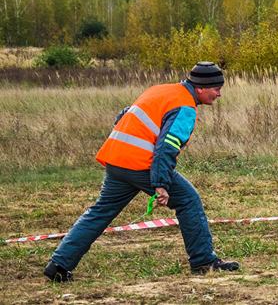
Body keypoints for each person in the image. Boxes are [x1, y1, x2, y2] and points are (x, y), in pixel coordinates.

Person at [43, 61, 239, 282]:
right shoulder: (185, 107)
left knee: (100, 212)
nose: (219, 94)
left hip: (116, 160)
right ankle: (203, 261)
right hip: (140, 164)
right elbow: (166, 148)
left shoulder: (161, 90)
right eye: (217, 89)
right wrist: (161, 184)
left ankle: (59, 265)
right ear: (201, 87)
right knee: (188, 200)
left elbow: (123, 115)